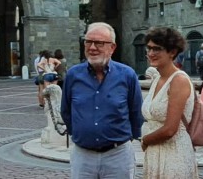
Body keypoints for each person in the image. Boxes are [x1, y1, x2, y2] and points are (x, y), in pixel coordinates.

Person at [62, 23, 144, 179]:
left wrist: (128, 138)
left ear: (112, 48)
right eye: (88, 41)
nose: (92, 47)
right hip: (83, 155)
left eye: (99, 43)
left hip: (118, 155)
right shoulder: (73, 75)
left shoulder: (127, 75)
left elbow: (136, 112)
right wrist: (82, 134)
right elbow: (66, 111)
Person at [141, 27, 197, 179]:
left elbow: (170, 129)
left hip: (173, 153)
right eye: (149, 48)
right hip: (155, 152)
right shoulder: (157, 79)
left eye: (157, 49)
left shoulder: (179, 80)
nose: (151, 53)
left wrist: (145, 140)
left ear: (172, 52)